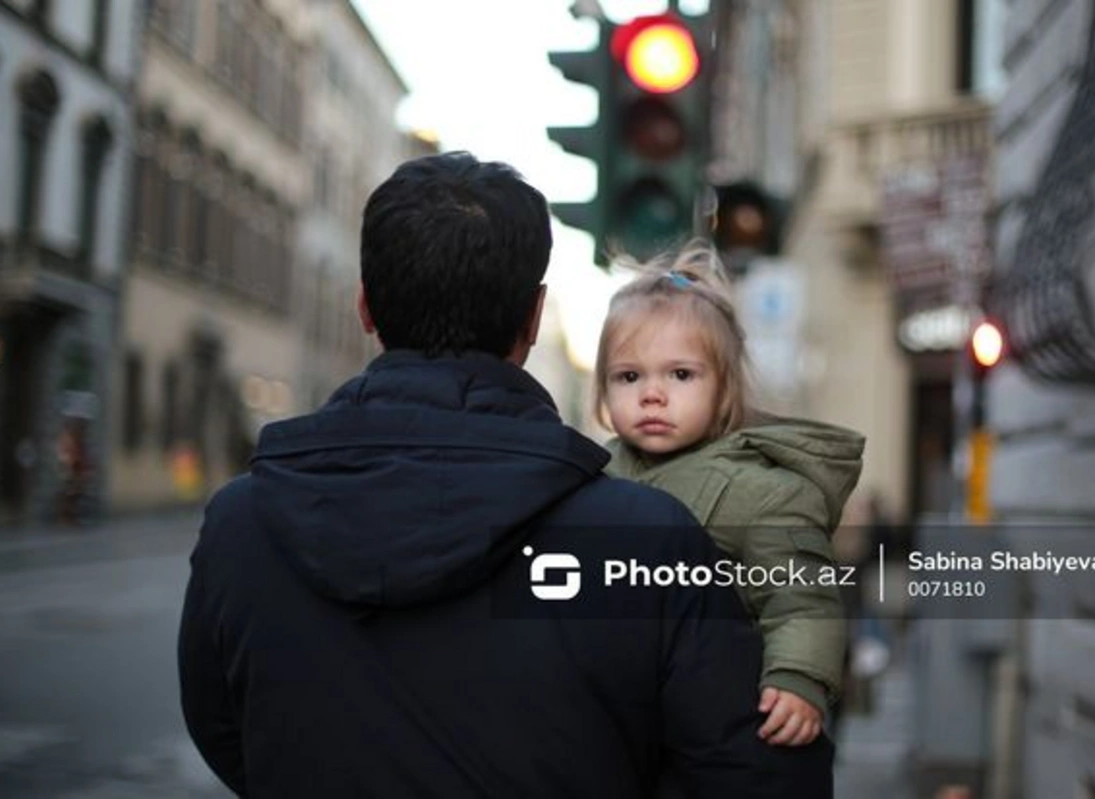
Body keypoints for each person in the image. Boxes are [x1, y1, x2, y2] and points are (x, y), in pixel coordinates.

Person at [178, 152, 833, 798]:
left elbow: (228, 731)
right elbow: (765, 776)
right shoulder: (646, 535)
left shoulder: (242, 523)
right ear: (531, 318)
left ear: (366, 307)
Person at [596, 244, 864, 748]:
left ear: (723, 389)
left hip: (714, 714)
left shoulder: (762, 492)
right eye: (629, 376)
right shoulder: (594, 475)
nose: (652, 393)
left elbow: (800, 599)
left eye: (681, 375)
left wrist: (798, 678)